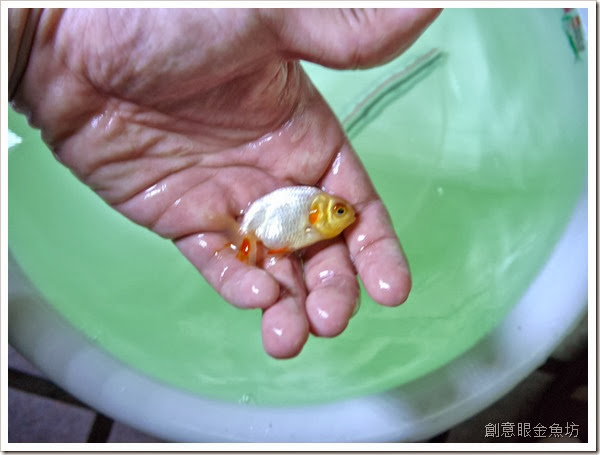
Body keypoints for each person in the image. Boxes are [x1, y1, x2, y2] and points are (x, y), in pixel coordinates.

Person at [9, 8, 441, 359]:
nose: (345, 215)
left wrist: (47, 30)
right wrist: (45, 33)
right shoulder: (307, 209)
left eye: (341, 212)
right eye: (340, 211)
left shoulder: (309, 208)